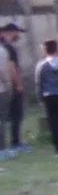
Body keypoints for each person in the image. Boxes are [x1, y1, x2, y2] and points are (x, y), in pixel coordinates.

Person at [0, 22, 23, 153]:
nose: (17, 35)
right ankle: (15, 141)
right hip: (7, 86)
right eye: (16, 32)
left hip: (7, 85)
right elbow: (11, 68)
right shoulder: (7, 49)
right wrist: (17, 84)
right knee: (15, 115)